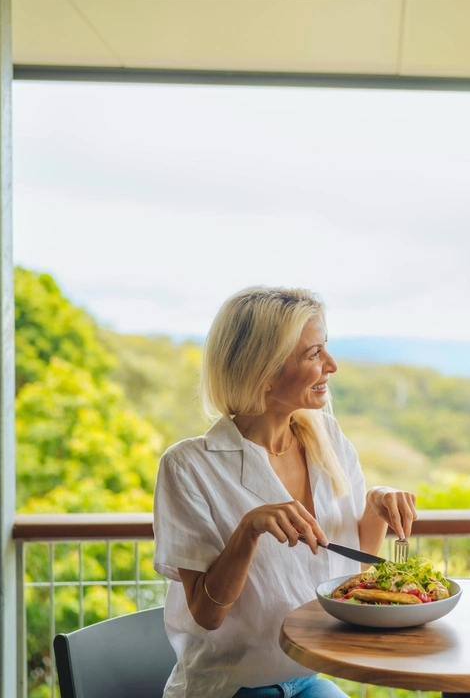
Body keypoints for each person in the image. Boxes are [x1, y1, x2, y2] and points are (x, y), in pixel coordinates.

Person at [152, 286, 418, 698]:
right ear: (264, 371)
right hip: (230, 688)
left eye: (325, 348)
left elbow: (354, 573)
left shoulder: (326, 438)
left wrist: (375, 506)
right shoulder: (188, 466)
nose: (331, 365)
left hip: (308, 678)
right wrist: (248, 531)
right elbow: (207, 614)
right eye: (314, 354)